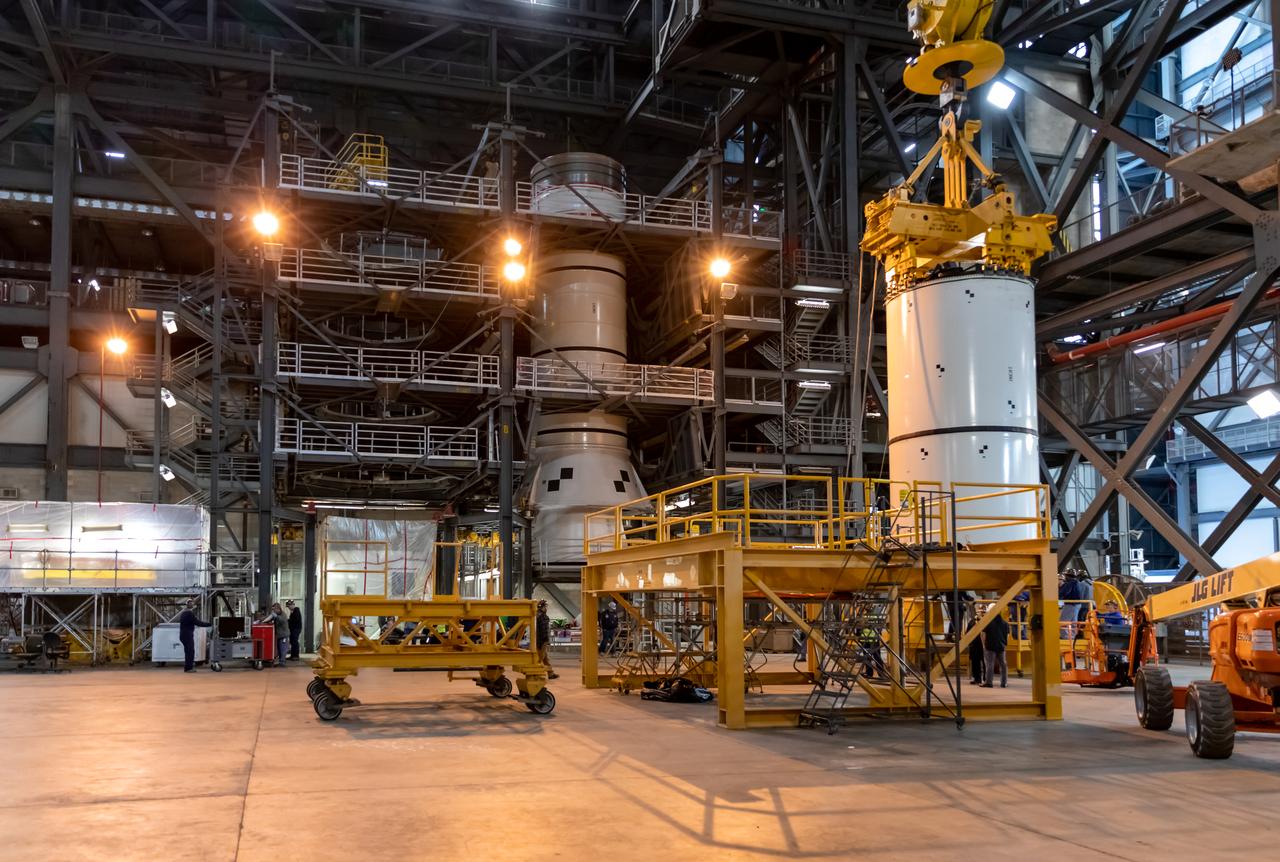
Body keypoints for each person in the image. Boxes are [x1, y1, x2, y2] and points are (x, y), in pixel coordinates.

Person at [178, 599, 212, 673]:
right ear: (189, 605)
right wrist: (209, 624)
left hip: (183, 635)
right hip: (187, 635)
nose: (192, 605)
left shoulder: (183, 613)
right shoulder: (189, 613)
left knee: (188, 651)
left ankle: (187, 667)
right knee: (190, 651)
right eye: (191, 603)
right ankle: (188, 668)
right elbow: (198, 622)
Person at [981, 610, 1010, 689]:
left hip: (990, 646)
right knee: (1003, 665)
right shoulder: (1005, 624)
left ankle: (989, 682)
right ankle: (1004, 683)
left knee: (990, 664)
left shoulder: (988, 623)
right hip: (1001, 646)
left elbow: (983, 635)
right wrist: (1004, 644)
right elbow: (1007, 636)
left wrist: (984, 645)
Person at [535, 600, 559, 680]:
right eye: (545, 607)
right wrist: (546, 641)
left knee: (545, 658)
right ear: (542, 607)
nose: (546, 608)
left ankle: (550, 673)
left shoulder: (536, 615)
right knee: (540, 659)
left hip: (538, 639)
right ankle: (535, 674)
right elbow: (544, 630)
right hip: (542, 640)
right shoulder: (543, 617)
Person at [260, 602, 289, 667]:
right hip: (279, 635)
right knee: (279, 649)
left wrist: (276, 616)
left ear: (278, 608)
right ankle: (281, 661)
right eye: (272, 610)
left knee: (283, 649)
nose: (273, 611)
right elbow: (269, 618)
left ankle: (282, 663)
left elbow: (282, 621)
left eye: (274, 609)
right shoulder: (276, 614)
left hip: (283, 635)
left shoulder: (283, 614)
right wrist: (262, 620)